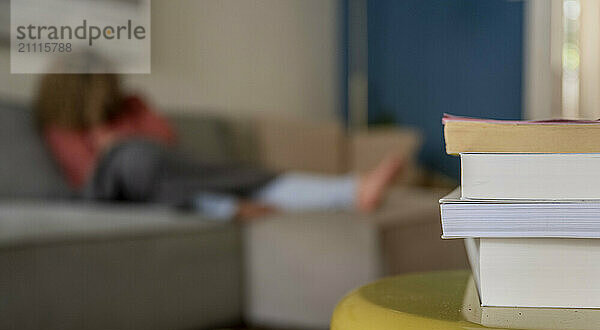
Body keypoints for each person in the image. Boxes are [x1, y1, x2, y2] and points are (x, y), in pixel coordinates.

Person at [36, 74, 403, 220]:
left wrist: (125, 127)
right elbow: (88, 178)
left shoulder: (131, 106)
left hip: (170, 176)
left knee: (250, 178)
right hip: (119, 188)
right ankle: (224, 205)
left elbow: (166, 142)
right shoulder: (64, 126)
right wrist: (109, 145)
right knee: (134, 163)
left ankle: (350, 191)